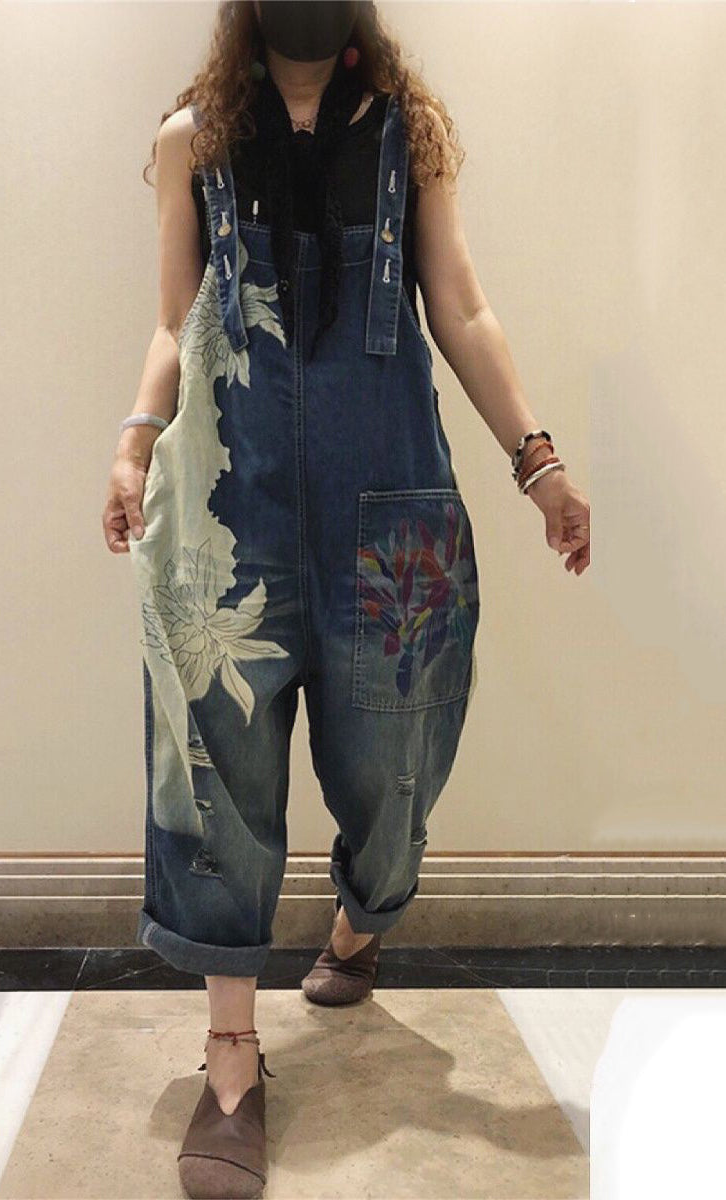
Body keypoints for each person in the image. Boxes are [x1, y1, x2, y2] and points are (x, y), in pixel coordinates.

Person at [101, 2, 591, 1196]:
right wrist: (132, 443)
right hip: (231, 512)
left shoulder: (407, 131)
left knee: (393, 766)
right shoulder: (194, 140)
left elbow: (460, 308)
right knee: (217, 775)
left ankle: (360, 922)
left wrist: (538, 461)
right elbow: (174, 320)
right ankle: (230, 1058)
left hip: (392, 514)